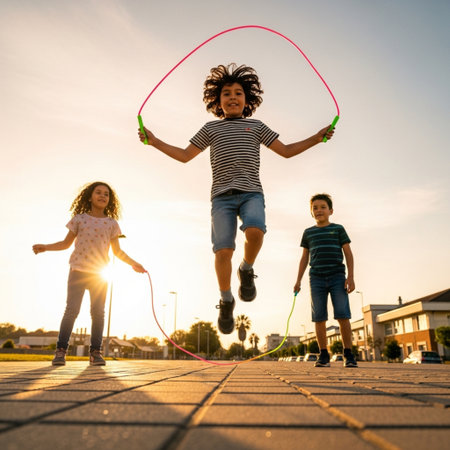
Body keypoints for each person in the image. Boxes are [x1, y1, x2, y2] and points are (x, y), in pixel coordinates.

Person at [138, 63, 335, 334]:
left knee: (255, 231)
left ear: (248, 100)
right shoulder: (210, 129)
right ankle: (226, 299)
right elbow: (185, 156)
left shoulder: (256, 126)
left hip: (251, 192)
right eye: (227, 94)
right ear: (218, 102)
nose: (232, 97)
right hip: (221, 198)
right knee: (223, 250)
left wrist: (316, 137)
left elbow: (287, 151)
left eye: (238, 93)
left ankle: (246, 269)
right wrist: (155, 141)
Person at [33, 182, 146, 366]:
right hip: (78, 271)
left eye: (106, 194)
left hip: (100, 275)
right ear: (89, 196)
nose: (103, 196)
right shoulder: (79, 219)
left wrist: (134, 263)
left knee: (98, 313)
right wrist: (45, 247)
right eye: (99, 192)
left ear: (110, 200)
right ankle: (61, 351)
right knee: (71, 311)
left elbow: (117, 252)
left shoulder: (111, 224)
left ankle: (95, 352)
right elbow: (65, 243)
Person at [293, 193, 357, 368]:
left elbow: (348, 254)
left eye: (322, 207)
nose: (319, 210)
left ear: (331, 211)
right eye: (315, 208)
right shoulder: (308, 233)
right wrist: (298, 280)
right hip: (316, 278)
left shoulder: (338, 229)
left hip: (338, 276)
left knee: (343, 315)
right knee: (319, 317)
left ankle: (348, 354)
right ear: (311, 212)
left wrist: (350, 277)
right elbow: (304, 258)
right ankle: (323, 355)